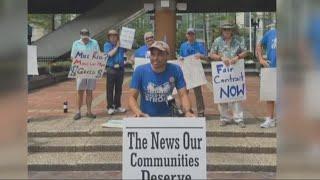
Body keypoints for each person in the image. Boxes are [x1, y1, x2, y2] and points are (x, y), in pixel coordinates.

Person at [128, 41, 195, 117]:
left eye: (160, 54)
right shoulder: (139, 71)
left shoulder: (176, 70)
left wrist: (187, 111)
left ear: (167, 56)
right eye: (153, 54)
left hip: (169, 117)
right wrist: (137, 111)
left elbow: (183, 94)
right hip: (146, 117)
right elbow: (132, 96)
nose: (155, 58)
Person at [209, 20, 248, 128]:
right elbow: (211, 54)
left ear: (232, 30)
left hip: (235, 72)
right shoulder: (217, 41)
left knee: (236, 96)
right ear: (222, 30)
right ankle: (224, 118)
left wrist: (238, 57)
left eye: (229, 29)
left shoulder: (238, 40)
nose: (227, 31)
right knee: (222, 96)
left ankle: (239, 118)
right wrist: (221, 57)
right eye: (225, 29)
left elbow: (245, 52)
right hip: (222, 73)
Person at [71, 28, 100, 120]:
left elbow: (98, 55)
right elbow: (73, 57)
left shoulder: (94, 42)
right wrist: (81, 63)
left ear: (89, 35)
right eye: (83, 37)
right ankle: (78, 111)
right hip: (81, 70)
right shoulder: (76, 43)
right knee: (80, 91)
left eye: (86, 37)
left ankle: (89, 111)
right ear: (80, 35)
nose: (85, 39)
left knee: (89, 91)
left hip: (91, 70)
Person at [178, 28, 206, 117]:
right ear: (186, 35)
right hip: (186, 71)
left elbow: (206, 56)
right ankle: (185, 109)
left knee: (198, 93)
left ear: (194, 35)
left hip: (196, 71)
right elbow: (180, 56)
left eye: (192, 34)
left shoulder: (200, 45)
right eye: (189, 34)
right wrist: (180, 58)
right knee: (184, 92)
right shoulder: (183, 46)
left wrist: (201, 55)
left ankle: (201, 111)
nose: (190, 36)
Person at [256, 27, 277, 128]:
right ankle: (270, 119)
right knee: (270, 95)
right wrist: (261, 59)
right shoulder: (271, 33)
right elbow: (259, 45)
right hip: (271, 67)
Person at [104, 29, 127, 115]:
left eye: (115, 36)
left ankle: (117, 106)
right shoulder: (107, 45)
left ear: (117, 37)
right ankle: (110, 107)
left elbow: (127, 49)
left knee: (119, 89)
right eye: (111, 36)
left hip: (120, 69)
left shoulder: (122, 45)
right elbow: (109, 54)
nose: (113, 37)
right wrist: (117, 47)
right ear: (109, 37)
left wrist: (126, 41)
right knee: (110, 89)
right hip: (111, 69)